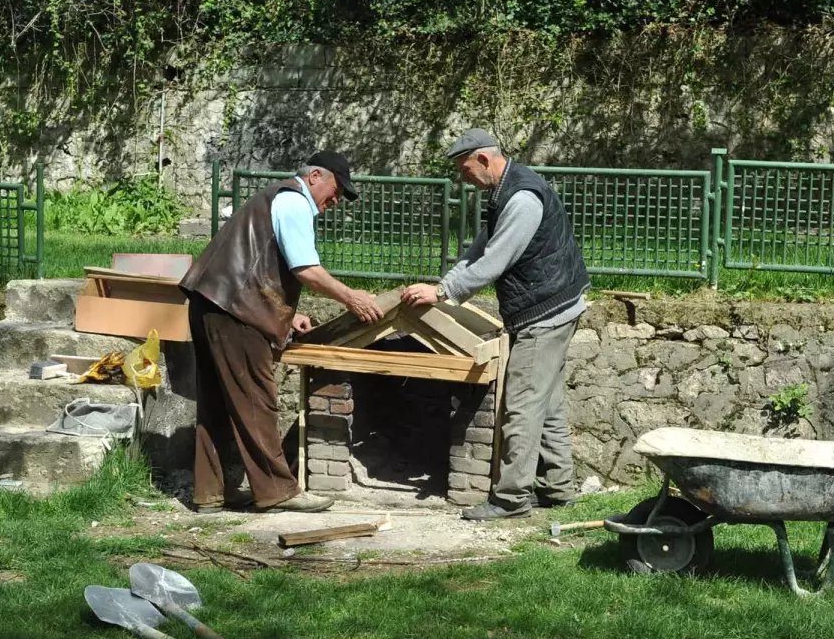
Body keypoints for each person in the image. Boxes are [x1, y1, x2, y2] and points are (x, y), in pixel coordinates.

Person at [179, 151, 383, 513]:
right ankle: (277, 490)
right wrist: (352, 297)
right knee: (258, 398)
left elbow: (257, 267)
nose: (335, 201)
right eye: (336, 191)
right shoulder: (294, 202)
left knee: (215, 403)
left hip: (210, 303)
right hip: (234, 312)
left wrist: (290, 315)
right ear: (316, 176)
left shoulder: (275, 198)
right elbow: (306, 269)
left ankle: (209, 493)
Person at [402, 128, 589, 520]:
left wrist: (441, 293)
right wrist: (445, 284)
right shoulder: (503, 192)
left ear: (484, 160)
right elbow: (480, 248)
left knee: (520, 406)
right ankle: (559, 488)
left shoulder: (521, 198)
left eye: (464, 169)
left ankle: (510, 499)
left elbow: (495, 261)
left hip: (545, 312)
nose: (462, 178)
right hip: (555, 305)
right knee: (547, 403)